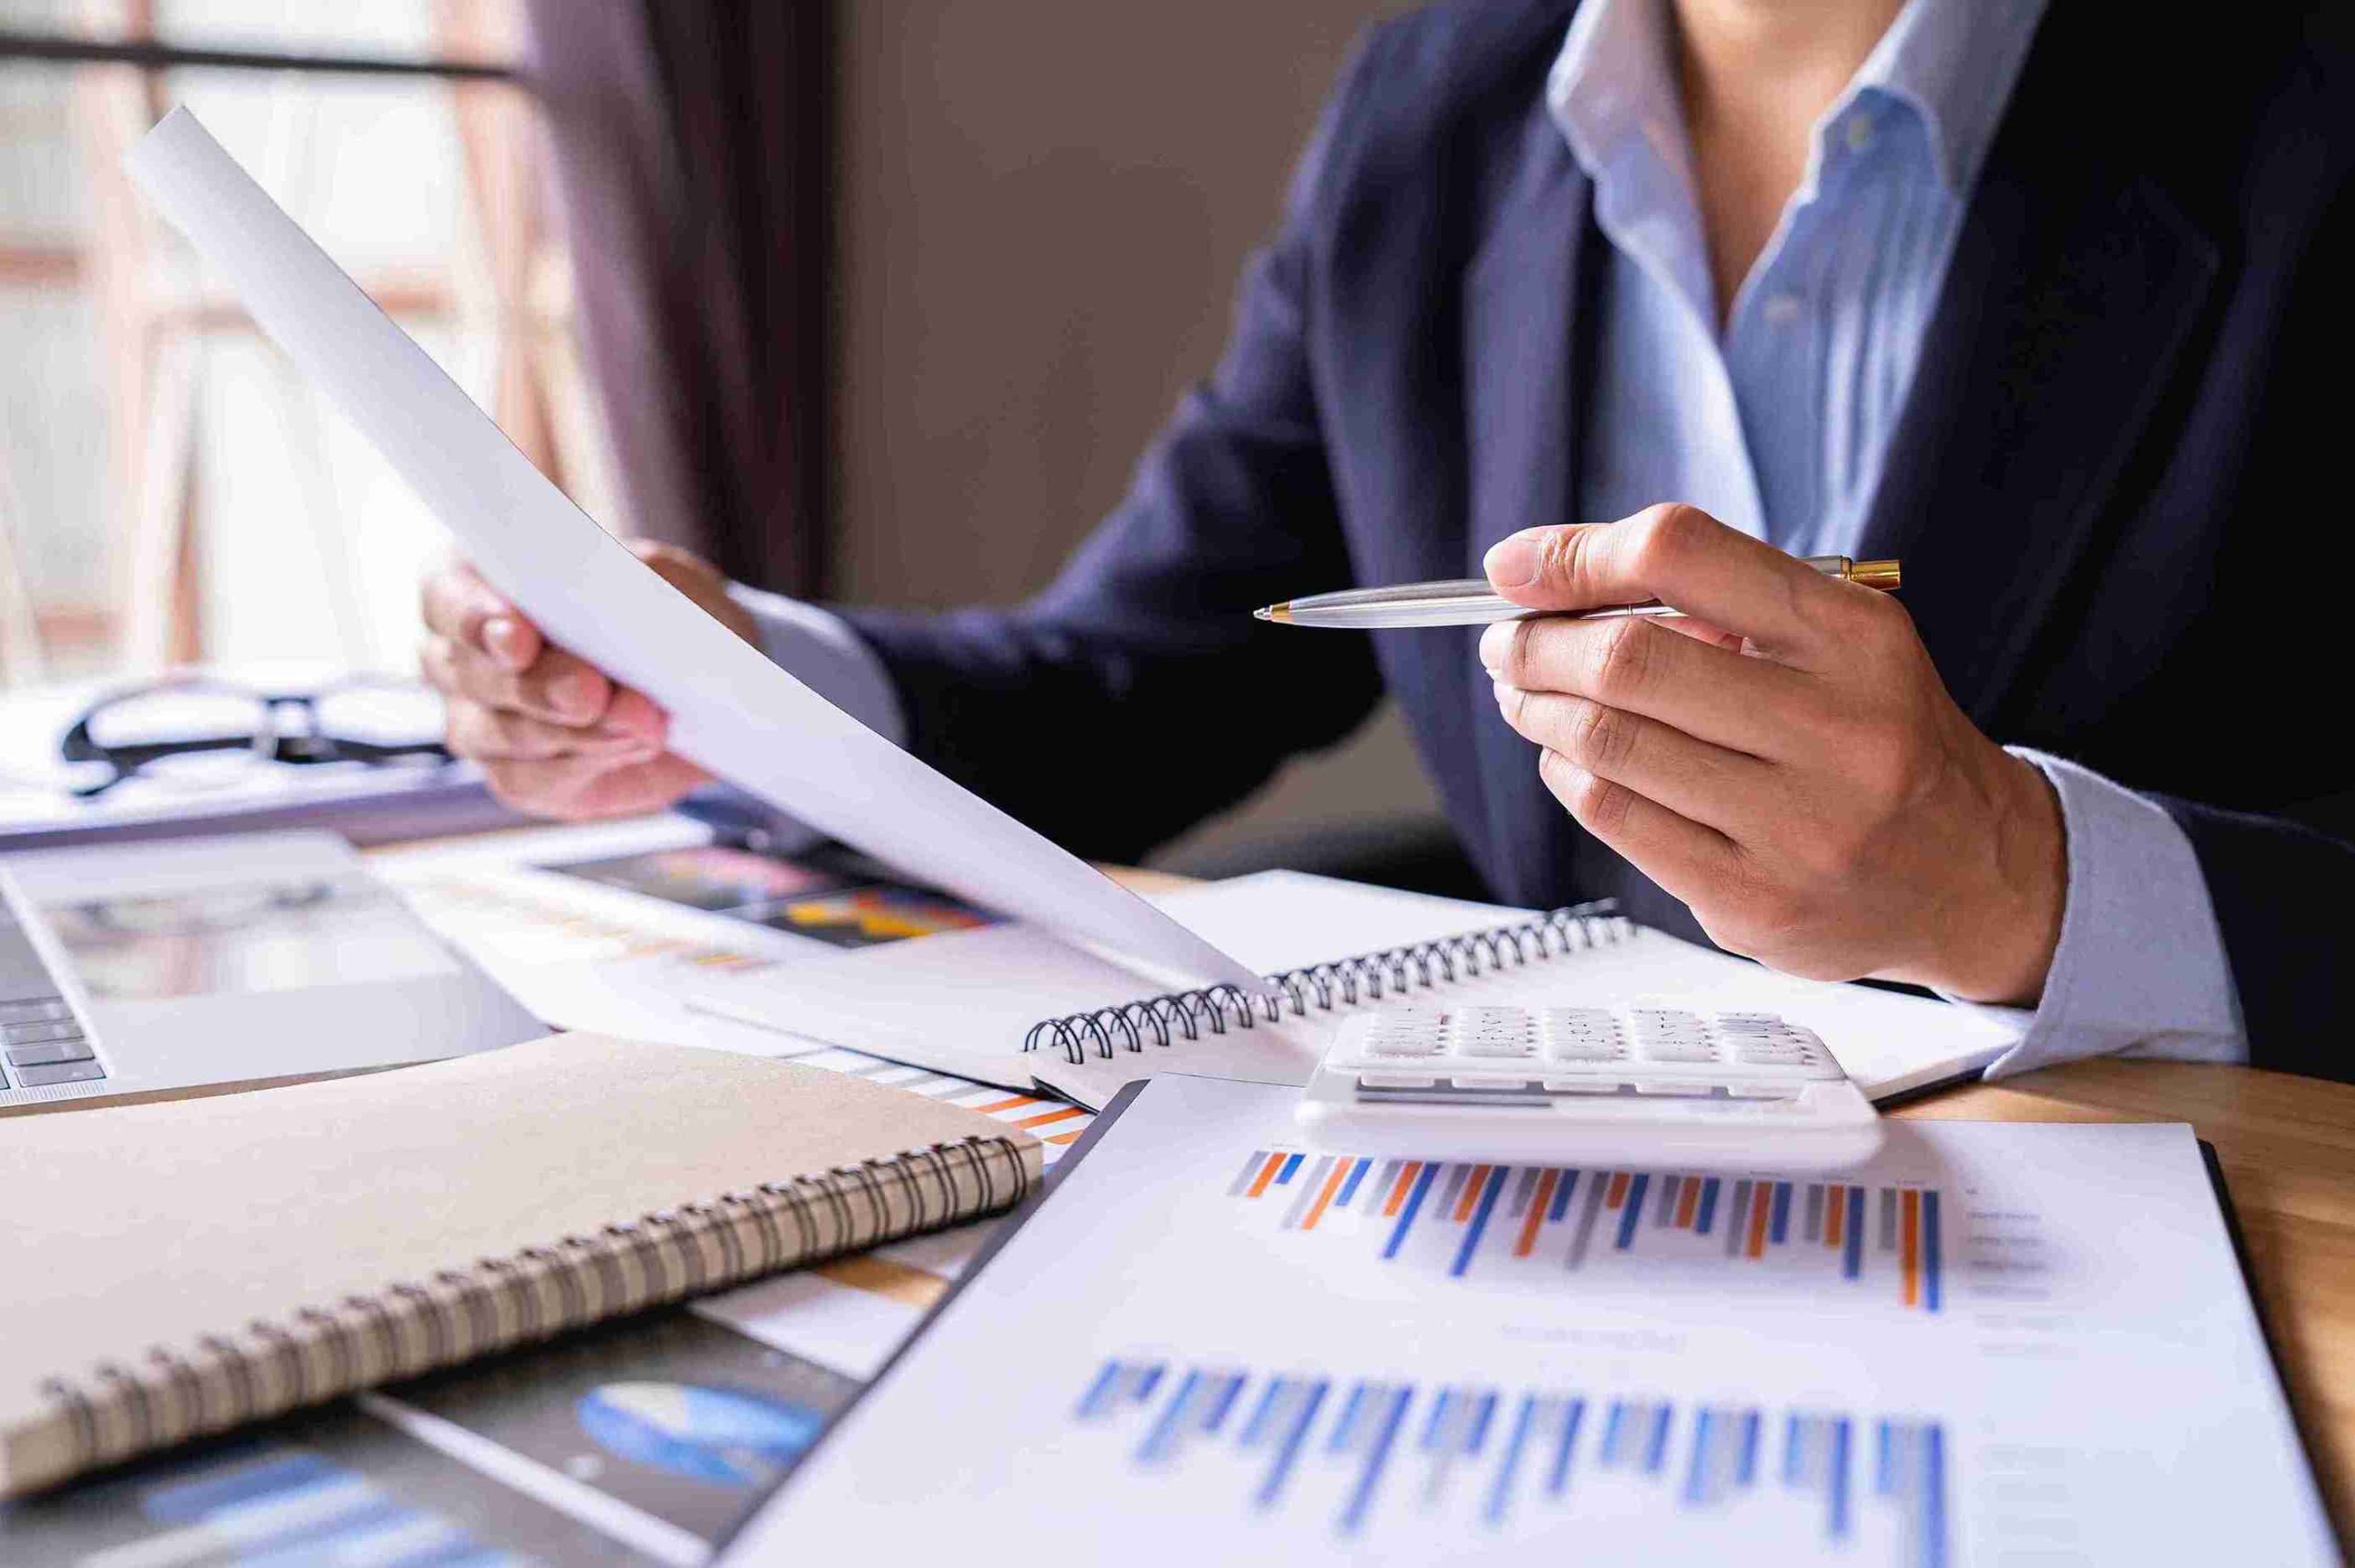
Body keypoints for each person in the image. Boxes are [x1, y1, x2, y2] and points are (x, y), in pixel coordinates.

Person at [421, 0, 2355, 1083]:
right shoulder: (1436, 107)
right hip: (1568, 1217)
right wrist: (728, 685)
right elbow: (1138, 677)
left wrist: (2017, 881)